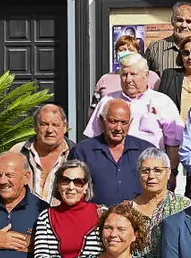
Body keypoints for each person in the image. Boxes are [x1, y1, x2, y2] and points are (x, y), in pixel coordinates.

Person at [86, 52, 184, 182]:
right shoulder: (108, 101)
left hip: (151, 174)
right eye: (124, 74)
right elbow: (93, 137)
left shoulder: (163, 102)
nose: (128, 79)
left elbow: (173, 143)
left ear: (146, 75)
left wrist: (172, 173)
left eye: (133, 74)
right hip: (112, 171)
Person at [70, 99, 155, 206]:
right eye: (113, 122)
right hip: (95, 220)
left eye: (124, 122)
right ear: (102, 120)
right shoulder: (83, 151)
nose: (118, 128)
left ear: (130, 123)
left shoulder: (146, 150)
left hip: (139, 218)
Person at [14, 104, 75, 202]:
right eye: (44, 124)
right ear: (35, 127)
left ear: (64, 128)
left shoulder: (76, 155)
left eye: (55, 125)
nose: (50, 130)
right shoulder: (18, 152)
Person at [157, 33, 191, 123]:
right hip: (173, 132)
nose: (190, 57)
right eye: (186, 53)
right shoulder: (169, 75)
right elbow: (159, 105)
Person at [145, 2, 191, 75]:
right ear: (172, 21)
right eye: (179, 20)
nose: (184, 25)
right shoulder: (155, 48)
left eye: (188, 21)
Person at [95, 39, 159, 98]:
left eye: (131, 50)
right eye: (122, 50)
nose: (126, 53)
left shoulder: (152, 77)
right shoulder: (105, 79)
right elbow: (94, 106)